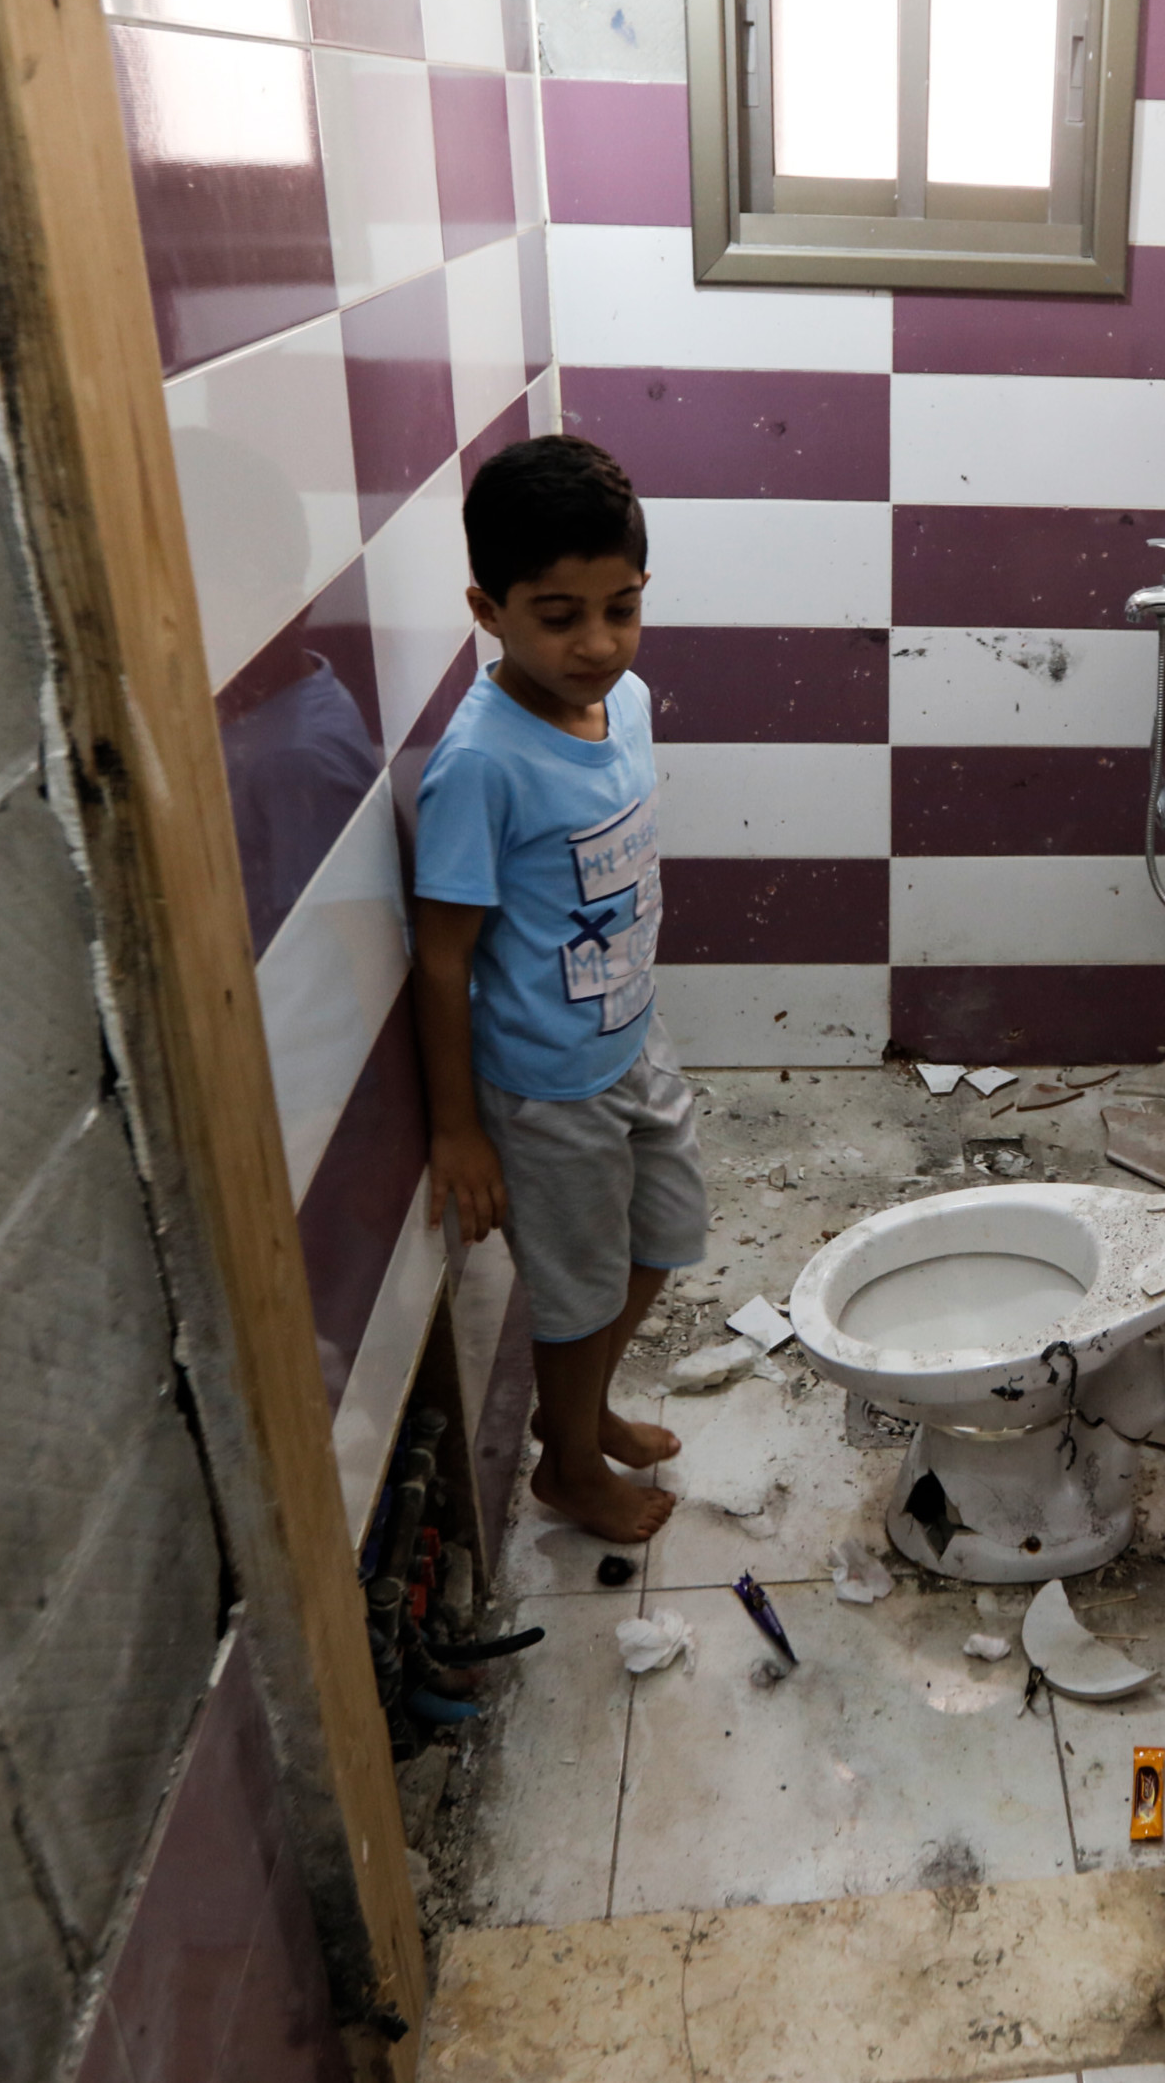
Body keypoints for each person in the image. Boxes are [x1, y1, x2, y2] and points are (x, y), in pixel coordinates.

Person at [409, 436, 692, 1544]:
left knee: (662, 1242)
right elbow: (441, 955)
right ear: (489, 608)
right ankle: (568, 1466)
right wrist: (458, 1130)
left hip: (629, 1038)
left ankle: (581, 1415)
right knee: (572, 1296)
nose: (597, 643)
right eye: (558, 614)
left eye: (619, 608)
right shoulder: (481, 763)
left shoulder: (623, 705)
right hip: (542, 1088)